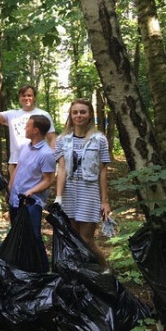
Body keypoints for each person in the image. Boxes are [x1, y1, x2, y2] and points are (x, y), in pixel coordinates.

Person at [54, 98, 112, 270]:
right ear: (71, 116)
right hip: (69, 191)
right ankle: (81, 273)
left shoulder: (99, 139)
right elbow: (62, 169)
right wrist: (58, 197)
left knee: (86, 239)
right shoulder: (62, 140)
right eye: (75, 112)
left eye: (82, 112)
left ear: (89, 115)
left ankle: (104, 270)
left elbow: (102, 171)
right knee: (73, 238)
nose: (79, 115)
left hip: (89, 190)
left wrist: (105, 201)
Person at [7, 114, 56, 272]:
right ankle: (21, 268)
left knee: (33, 236)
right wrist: (10, 188)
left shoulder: (46, 154)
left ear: (35, 130)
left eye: (28, 126)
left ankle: (42, 270)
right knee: (17, 234)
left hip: (31, 203)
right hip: (15, 199)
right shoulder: (25, 147)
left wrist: (31, 192)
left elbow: (48, 180)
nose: (25, 129)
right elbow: (18, 169)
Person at [0, 84, 56, 176]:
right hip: (16, 162)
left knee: (36, 189)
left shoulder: (43, 114)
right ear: (19, 98)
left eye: (29, 95)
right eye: (23, 95)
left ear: (34, 98)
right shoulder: (12, 114)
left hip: (37, 161)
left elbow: (52, 138)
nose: (26, 98)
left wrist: (50, 158)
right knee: (15, 189)